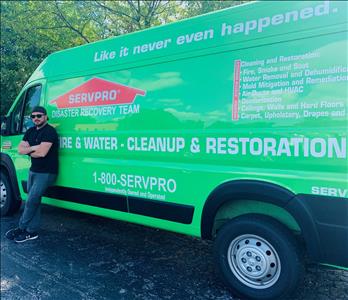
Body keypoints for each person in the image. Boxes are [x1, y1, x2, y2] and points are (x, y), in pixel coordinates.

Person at [5, 106, 59, 243]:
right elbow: (20, 150)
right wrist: (35, 147)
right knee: (34, 201)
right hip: (34, 170)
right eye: (33, 116)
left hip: (46, 172)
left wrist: (30, 150)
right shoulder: (30, 131)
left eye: (39, 116)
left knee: (30, 201)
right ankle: (31, 231)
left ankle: (22, 227)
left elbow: (42, 153)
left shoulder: (50, 131)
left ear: (46, 117)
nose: (36, 118)